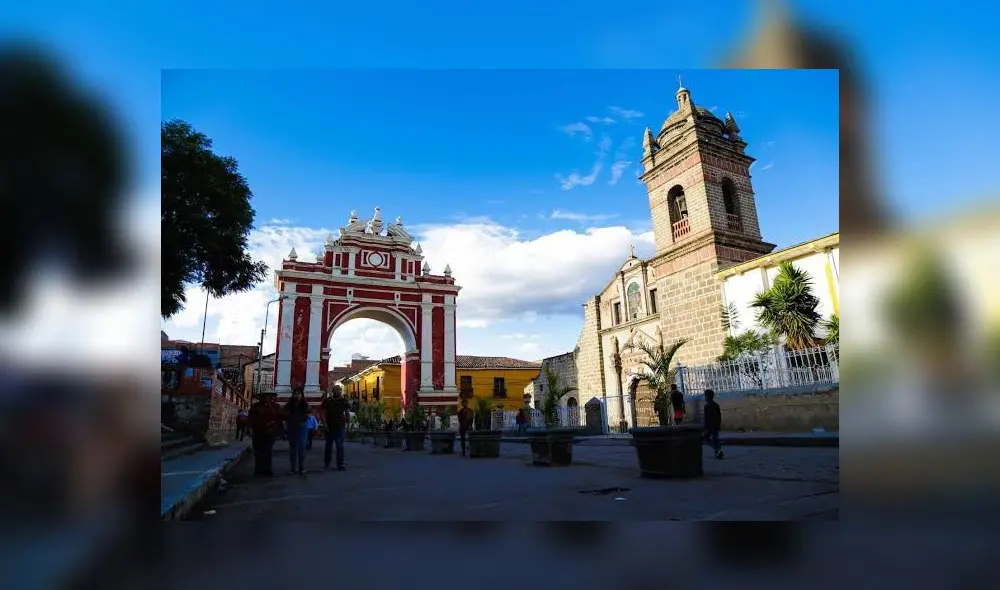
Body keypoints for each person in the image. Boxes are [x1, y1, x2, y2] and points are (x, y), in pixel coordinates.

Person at [248, 392, 282, 476]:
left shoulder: (275, 406)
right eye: (264, 395)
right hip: (258, 431)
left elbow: (280, 417)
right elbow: (251, 418)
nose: (266, 397)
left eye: (268, 395)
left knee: (268, 450)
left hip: (270, 432)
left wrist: (275, 425)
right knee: (258, 451)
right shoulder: (255, 406)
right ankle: (258, 469)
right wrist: (250, 428)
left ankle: (267, 469)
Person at [321, 385, 350, 470]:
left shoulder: (343, 401)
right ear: (332, 391)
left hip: (340, 426)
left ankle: (340, 464)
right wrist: (324, 423)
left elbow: (347, 411)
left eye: (339, 390)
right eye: (336, 390)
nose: (338, 391)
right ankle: (327, 462)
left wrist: (348, 422)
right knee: (328, 445)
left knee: (339, 445)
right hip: (329, 426)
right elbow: (323, 412)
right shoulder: (328, 401)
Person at [283, 388, 310, 475]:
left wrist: (295, 418)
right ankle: (293, 467)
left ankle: (301, 467)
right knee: (293, 448)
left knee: (302, 447)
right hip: (292, 428)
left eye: (299, 394)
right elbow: (285, 415)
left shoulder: (305, 405)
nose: (297, 395)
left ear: (302, 395)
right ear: (292, 395)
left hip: (302, 428)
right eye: (295, 394)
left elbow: (307, 416)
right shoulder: (288, 405)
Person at [703, 389, 724, 459]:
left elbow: (706, 418)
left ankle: (718, 450)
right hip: (716, 425)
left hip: (710, 426)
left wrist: (705, 427)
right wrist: (718, 424)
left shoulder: (707, 406)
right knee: (716, 439)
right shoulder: (716, 405)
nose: (705, 398)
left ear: (708, 397)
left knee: (706, 439)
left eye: (705, 396)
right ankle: (718, 452)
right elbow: (719, 416)